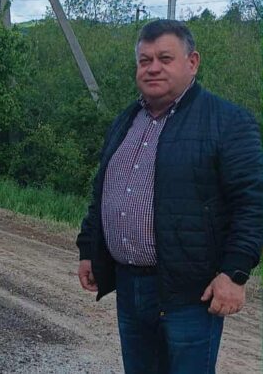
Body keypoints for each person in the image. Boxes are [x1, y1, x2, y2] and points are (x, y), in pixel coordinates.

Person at [76, 19, 263, 373]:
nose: (153, 68)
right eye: (144, 60)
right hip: (129, 286)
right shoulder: (126, 121)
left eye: (165, 58)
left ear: (192, 62)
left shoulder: (228, 122)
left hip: (190, 294)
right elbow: (102, 192)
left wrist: (235, 273)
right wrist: (89, 249)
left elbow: (252, 205)